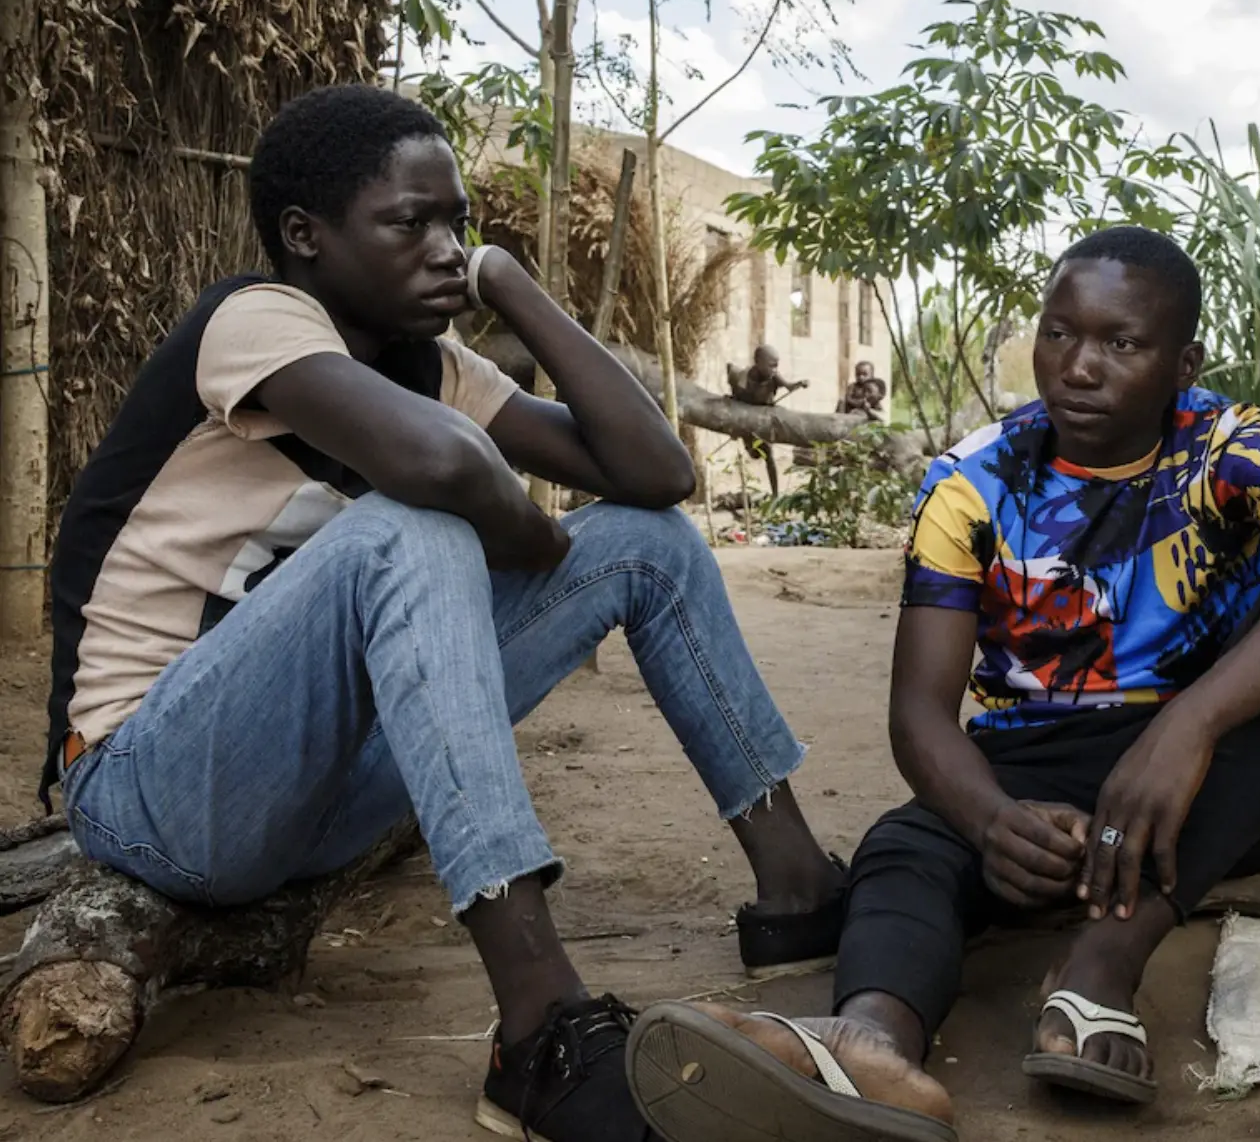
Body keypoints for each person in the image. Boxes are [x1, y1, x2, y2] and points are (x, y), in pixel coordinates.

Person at [48, 85, 848, 1142]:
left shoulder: (434, 364)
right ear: (306, 236)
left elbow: (657, 473)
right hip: (146, 781)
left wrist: (512, 285)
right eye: (409, 222)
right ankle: (540, 1024)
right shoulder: (254, 320)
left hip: (317, 797)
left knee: (646, 546)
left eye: (458, 225)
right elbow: (436, 465)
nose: (446, 249)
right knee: (411, 525)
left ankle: (796, 886)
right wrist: (531, 542)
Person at [622, 226, 1260, 1140]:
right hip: (1030, 783)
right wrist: (991, 821)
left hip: (1205, 787)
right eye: (1060, 333)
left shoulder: (1229, 448)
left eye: (1122, 344)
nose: (1079, 367)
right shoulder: (973, 480)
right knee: (905, 850)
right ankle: (869, 1047)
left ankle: (1101, 966)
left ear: (1182, 362)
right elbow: (920, 715)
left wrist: (1187, 727)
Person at [726, 345, 807, 497]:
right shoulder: (743, 378)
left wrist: (799, 384)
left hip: (764, 419)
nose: (775, 369)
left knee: (768, 455)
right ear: (758, 362)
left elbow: (789, 386)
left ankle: (775, 494)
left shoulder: (774, 377)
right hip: (747, 418)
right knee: (753, 453)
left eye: (777, 365)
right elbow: (736, 395)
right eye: (771, 365)